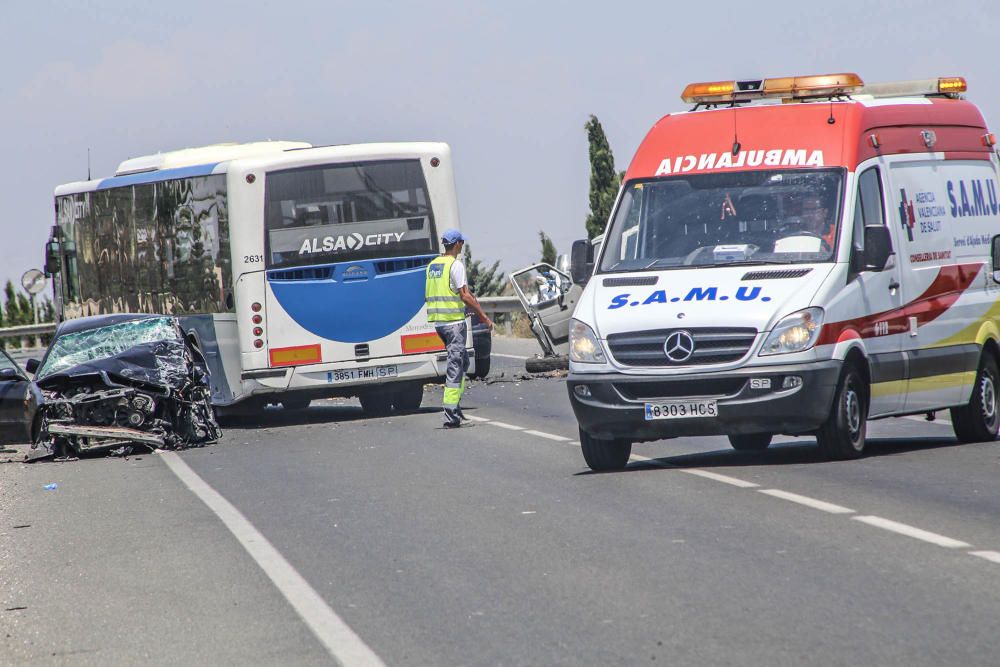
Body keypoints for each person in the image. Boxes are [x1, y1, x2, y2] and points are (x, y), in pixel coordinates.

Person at [425, 229, 494, 428]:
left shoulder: (433, 266)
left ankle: (456, 406)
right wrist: (484, 317)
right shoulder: (455, 265)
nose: (462, 247)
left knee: (462, 361)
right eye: (461, 243)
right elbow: (464, 295)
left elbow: (455, 290)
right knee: (455, 367)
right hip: (453, 323)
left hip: (439, 323)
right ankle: (451, 415)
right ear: (457, 245)